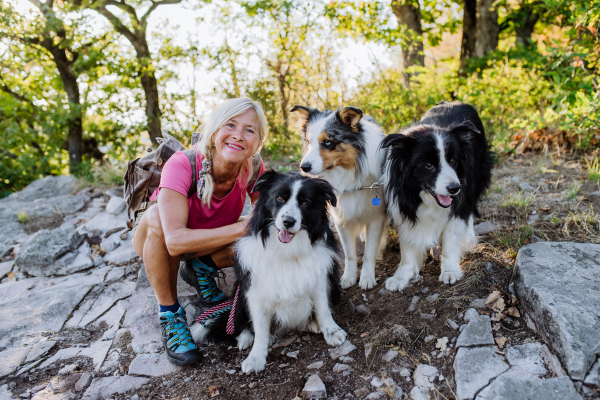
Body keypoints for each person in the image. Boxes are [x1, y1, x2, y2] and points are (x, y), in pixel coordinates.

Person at [132, 97, 268, 366]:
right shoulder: (183, 164)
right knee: (157, 215)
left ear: (258, 141)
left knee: (261, 232)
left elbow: (263, 219)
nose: (239, 136)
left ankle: (201, 268)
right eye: (231, 125)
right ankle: (170, 315)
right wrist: (243, 227)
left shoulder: (252, 168)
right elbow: (175, 241)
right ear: (215, 131)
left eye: (250, 130)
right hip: (162, 240)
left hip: (207, 242)